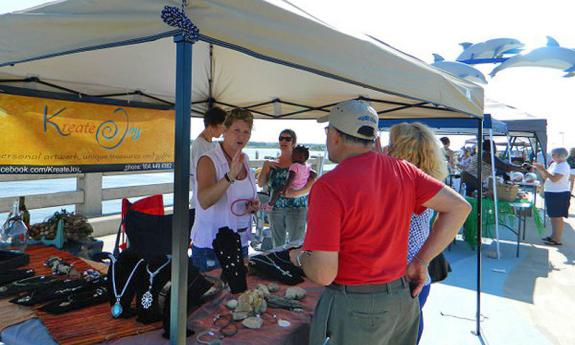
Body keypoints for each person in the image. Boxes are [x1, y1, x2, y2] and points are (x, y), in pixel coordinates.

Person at [288, 100, 471, 345]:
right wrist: (421, 260)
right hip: (401, 301)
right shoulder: (405, 170)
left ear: (334, 136)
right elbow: (459, 207)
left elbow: (323, 273)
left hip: (358, 307)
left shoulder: (329, 185)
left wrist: (300, 257)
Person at [388, 122, 448, 344]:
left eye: (390, 144)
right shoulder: (429, 181)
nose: (386, 149)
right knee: (412, 326)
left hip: (403, 275)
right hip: (418, 274)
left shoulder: (408, 184)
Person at [191, 108, 260, 272]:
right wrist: (230, 176)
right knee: (215, 297)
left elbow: (239, 198)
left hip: (241, 242)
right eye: (236, 130)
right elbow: (204, 201)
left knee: (241, 295)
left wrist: (251, 207)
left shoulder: (245, 159)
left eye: (246, 132)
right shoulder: (208, 160)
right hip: (212, 246)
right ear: (225, 130)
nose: (241, 136)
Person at [258, 130, 316, 248]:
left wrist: (295, 194)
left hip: (297, 208)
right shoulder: (273, 163)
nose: (283, 141)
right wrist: (265, 166)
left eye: (287, 139)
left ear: (293, 142)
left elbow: (311, 183)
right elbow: (260, 183)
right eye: (281, 138)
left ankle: (293, 267)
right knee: (278, 245)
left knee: (296, 244)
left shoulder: (301, 162)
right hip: (276, 208)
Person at [190, 107, 227, 218]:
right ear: (212, 126)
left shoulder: (212, 144)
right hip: (202, 205)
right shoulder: (199, 145)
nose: (224, 130)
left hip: (212, 203)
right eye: (223, 125)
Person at [461, 139, 527, 196]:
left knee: (474, 197)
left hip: (470, 178)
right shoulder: (486, 155)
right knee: (476, 199)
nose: (496, 149)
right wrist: (521, 168)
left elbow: (503, 163)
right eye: (495, 147)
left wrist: (518, 165)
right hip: (472, 179)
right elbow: (505, 167)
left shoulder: (483, 154)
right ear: (491, 147)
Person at [534, 148, 571, 246]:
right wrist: (541, 170)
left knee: (557, 217)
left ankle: (557, 239)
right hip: (553, 193)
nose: (552, 155)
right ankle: (553, 236)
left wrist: (542, 169)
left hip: (559, 194)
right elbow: (546, 176)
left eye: (553, 154)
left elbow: (554, 179)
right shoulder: (555, 164)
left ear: (561, 156)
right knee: (553, 216)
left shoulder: (563, 166)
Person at [264, 145, 317, 211]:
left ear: (300, 157)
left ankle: (270, 205)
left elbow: (290, 178)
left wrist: (285, 188)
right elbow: (314, 174)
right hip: (301, 187)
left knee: (276, 191)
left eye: (294, 154)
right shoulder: (307, 166)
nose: (292, 156)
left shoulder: (295, 166)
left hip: (293, 186)